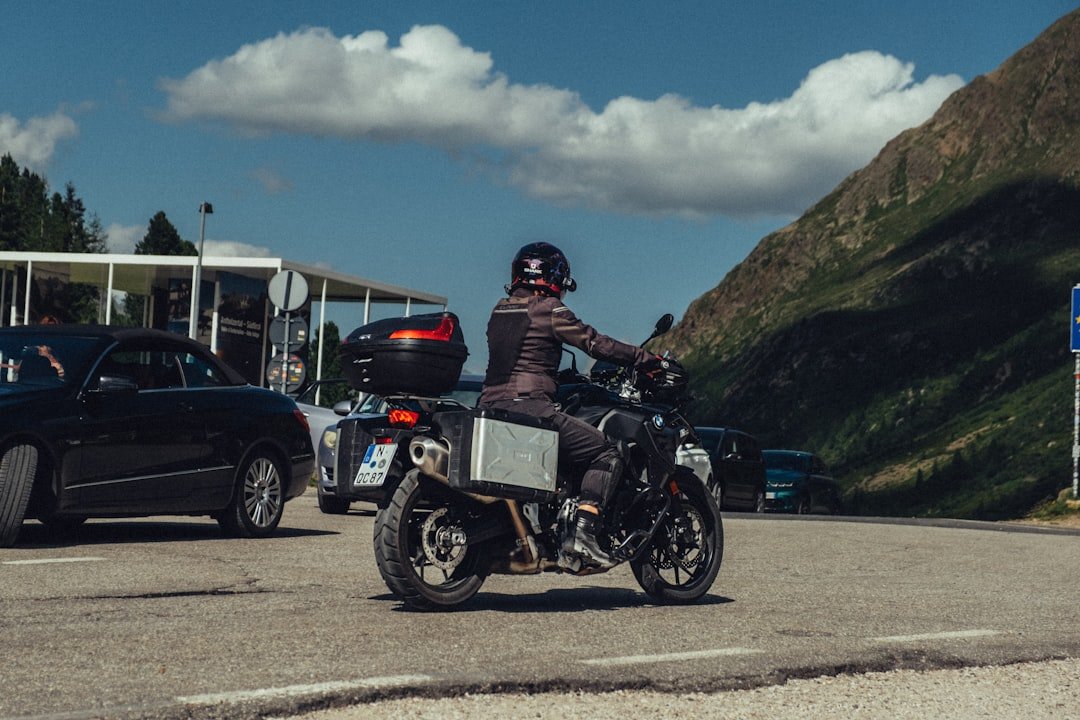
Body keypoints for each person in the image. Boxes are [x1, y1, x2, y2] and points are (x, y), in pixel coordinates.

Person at [478, 242, 660, 568]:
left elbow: (523, 357)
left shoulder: (499, 310)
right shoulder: (548, 309)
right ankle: (583, 536)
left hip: (491, 405)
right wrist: (645, 359)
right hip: (530, 407)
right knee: (605, 452)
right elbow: (595, 342)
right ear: (556, 277)